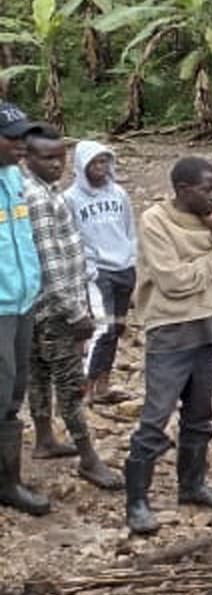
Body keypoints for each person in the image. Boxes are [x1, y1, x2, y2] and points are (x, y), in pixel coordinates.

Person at [123, 156, 212, 535]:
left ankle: (192, 485)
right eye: (207, 190)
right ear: (182, 190)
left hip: (206, 325)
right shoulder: (155, 221)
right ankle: (137, 501)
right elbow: (173, 282)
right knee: (156, 414)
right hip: (169, 328)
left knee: (200, 413)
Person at [22, 127, 121, 488]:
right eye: (48, 158)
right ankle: (88, 458)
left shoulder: (42, 191)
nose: (56, 165)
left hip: (37, 305)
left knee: (37, 372)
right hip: (57, 309)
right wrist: (77, 311)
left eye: (61, 159)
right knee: (70, 383)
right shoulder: (40, 200)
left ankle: (45, 437)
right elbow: (49, 260)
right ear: (27, 158)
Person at [0, 101, 49, 516]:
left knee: (13, 393)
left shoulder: (14, 176)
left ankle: (8, 481)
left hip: (21, 301)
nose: (21, 144)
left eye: (23, 136)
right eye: (11, 137)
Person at [65, 140, 135, 405]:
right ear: (82, 166)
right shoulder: (70, 199)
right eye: (94, 163)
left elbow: (130, 229)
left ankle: (103, 384)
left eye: (104, 161)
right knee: (100, 329)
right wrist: (87, 268)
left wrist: (131, 257)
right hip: (96, 271)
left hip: (123, 267)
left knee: (116, 328)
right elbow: (71, 236)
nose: (100, 167)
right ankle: (84, 387)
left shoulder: (119, 194)